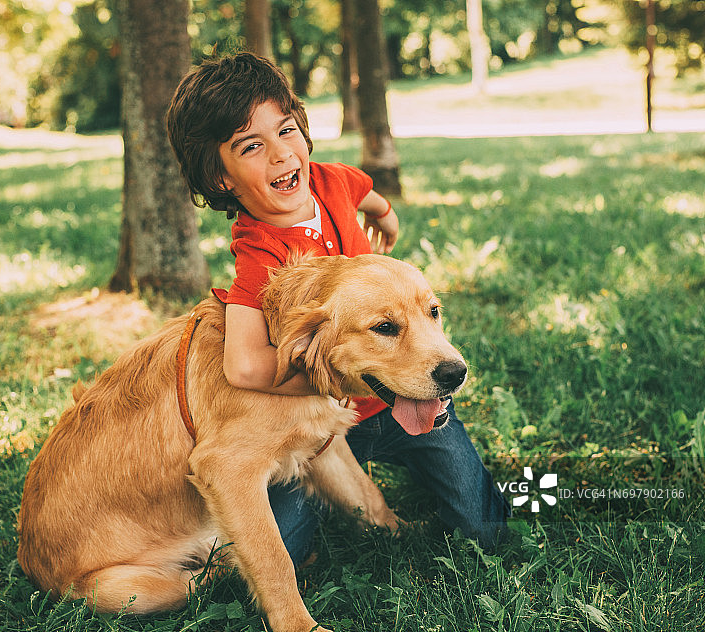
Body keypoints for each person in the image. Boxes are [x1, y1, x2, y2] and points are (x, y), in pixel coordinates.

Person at [166, 52, 509, 561]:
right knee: (285, 543)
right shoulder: (260, 256)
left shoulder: (329, 181)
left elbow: (366, 193)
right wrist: (332, 379)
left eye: (286, 131)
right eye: (251, 146)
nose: (281, 156)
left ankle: (435, 482)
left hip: (401, 403)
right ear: (221, 177)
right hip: (318, 425)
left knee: (484, 527)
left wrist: (386, 217)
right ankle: (343, 499)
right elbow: (242, 365)